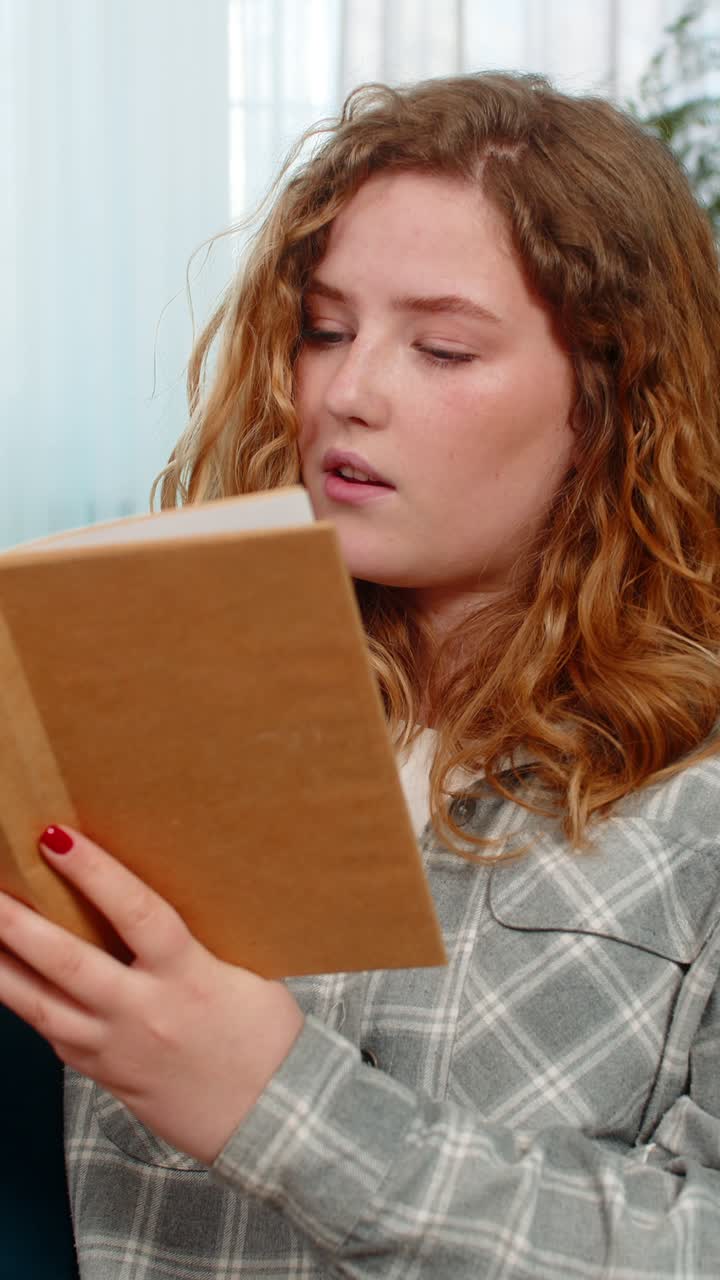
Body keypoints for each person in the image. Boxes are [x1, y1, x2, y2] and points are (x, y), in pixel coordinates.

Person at [1, 70, 720, 1278]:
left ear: (610, 402)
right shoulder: (164, 702)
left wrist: (274, 1101)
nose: (345, 392)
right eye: (325, 330)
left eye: (442, 347)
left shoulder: (694, 801)